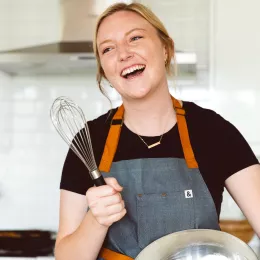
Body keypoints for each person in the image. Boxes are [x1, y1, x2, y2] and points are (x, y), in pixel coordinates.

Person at [54, 3, 260, 260]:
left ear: (165, 49)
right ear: (105, 72)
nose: (123, 54)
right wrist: (96, 220)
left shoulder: (214, 132)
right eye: (108, 48)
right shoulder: (89, 141)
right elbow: (66, 256)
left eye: (135, 38)